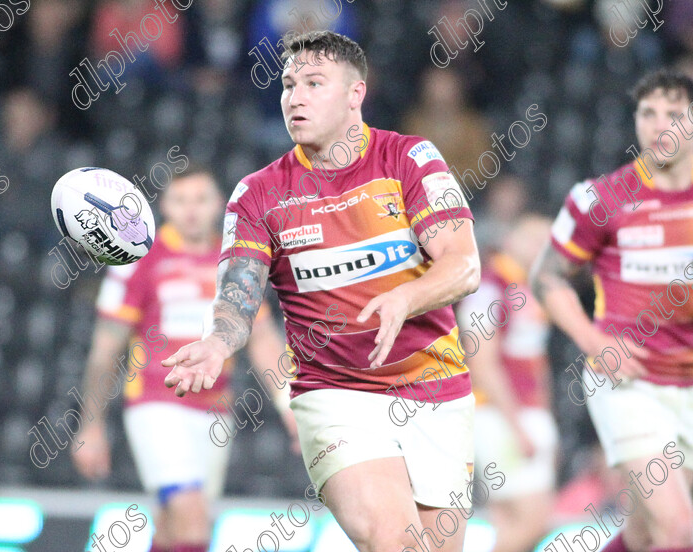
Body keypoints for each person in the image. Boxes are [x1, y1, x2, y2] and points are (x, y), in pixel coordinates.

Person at [163, 31, 481, 552]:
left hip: (435, 388)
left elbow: (464, 265)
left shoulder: (408, 160)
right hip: (335, 394)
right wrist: (218, 342)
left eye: (314, 83)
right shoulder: (259, 194)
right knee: (396, 541)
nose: (295, 97)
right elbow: (237, 295)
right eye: (288, 85)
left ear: (356, 93)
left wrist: (405, 298)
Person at [72, 167, 293, 552]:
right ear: (164, 206)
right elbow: (106, 349)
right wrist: (91, 424)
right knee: (192, 522)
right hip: (158, 403)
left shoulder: (237, 262)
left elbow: (261, 338)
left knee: (177, 528)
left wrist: (287, 403)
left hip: (216, 409)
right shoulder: (138, 257)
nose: (191, 211)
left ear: (219, 204)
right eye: (181, 200)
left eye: (201, 200)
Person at [530, 69, 693, 552]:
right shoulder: (602, 197)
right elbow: (546, 276)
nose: (659, 124)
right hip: (629, 383)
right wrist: (594, 342)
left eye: (674, 114)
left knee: (645, 534)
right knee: (681, 531)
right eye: (648, 113)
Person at [457, 214, 557, 552]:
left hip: (519, 414)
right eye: (532, 237)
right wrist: (517, 425)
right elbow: (481, 360)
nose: (541, 247)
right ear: (509, 239)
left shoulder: (528, 287)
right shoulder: (489, 286)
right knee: (533, 521)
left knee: (511, 523)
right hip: (500, 416)